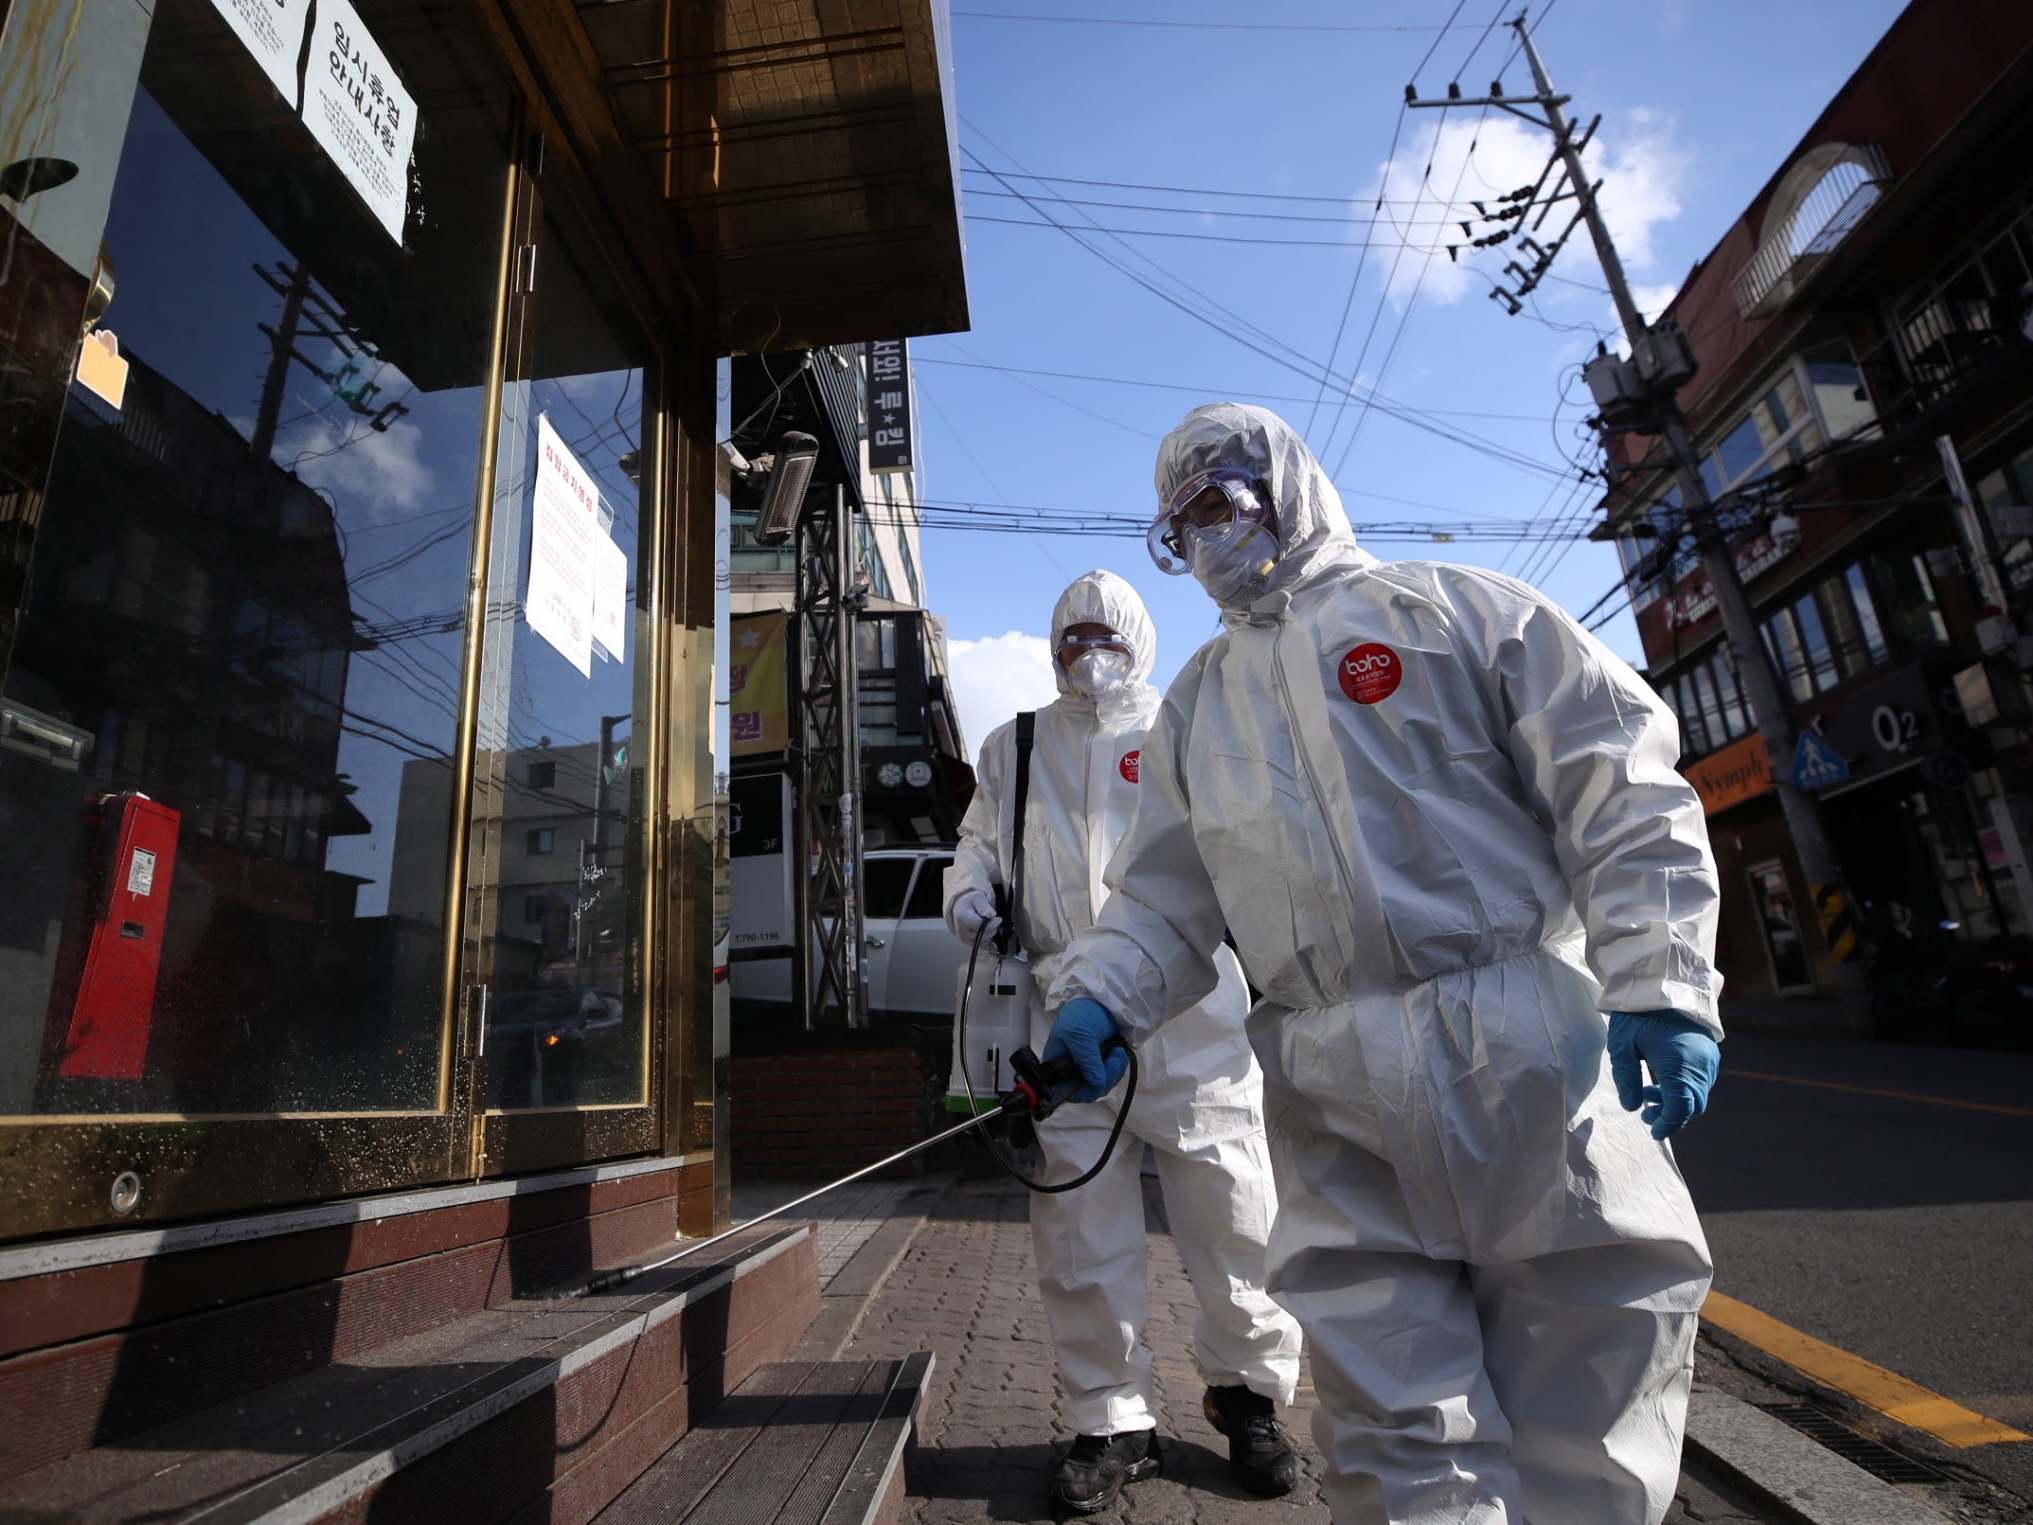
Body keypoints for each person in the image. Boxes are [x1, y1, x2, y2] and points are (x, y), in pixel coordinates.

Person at [1042, 405, 1724, 1525]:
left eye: (1216, 504)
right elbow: (1163, 895)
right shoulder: (1198, 706)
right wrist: (1103, 995)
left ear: (1283, 488)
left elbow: (1621, 786)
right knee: (1388, 1425)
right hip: (1330, 1083)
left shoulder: (1452, 612)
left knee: (1590, 1396)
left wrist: (1659, 979)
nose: (1204, 539)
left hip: (1530, 1053)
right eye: (1180, 527)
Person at [945, 569, 1305, 1514]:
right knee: (1078, 1232)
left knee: (1235, 1219)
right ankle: (1110, 1418)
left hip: (1192, 1009)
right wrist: (968, 892)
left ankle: (1248, 1399)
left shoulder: (1187, 723)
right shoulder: (1014, 743)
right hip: (1063, 1016)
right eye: (1071, 636)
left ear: (1139, 635)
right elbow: (976, 842)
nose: (1085, 650)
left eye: (1103, 632)